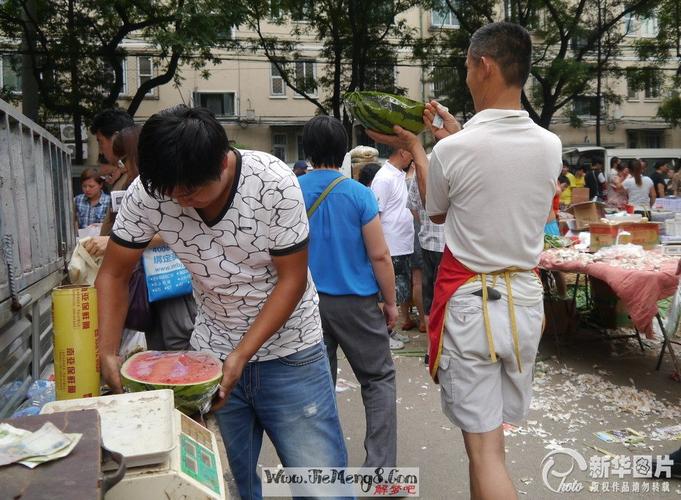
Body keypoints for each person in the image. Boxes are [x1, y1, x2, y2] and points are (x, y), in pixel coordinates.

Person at [95, 105, 347, 499]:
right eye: (170, 192)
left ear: (222, 161)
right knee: (226, 486)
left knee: (321, 489)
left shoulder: (272, 182)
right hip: (210, 354)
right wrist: (107, 351)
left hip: (292, 351)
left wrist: (242, 355)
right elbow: (113, 272)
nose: (179, 200)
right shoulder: (151, 191)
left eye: (191, 191)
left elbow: (292, 279)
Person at [369, 21, 561, 500]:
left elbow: (436, 208)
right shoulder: (550, 144)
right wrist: (453, 135)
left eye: (469, 66)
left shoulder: (455, 149)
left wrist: (418, 147)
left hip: (474, 305)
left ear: (485, 65)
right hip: (524, 300)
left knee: (484, 451)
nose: (469, 76)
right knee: (492, 439)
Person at [298, 115, 398, 468]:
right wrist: (391, 303)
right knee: (378, 378)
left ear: (307, 151)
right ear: (343, 151)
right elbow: (379, 255)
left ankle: (323, 469)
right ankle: (381, 471)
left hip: (304, 304)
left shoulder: (293, 191)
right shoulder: (358, 194)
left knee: (317, 385)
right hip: (357, 303)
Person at [371, 148, 415, 347]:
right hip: (391, 245)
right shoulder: (383, 178)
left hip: (402, 244)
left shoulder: (398, 175)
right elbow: (375, 216)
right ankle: (382, 334)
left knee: (398, 292)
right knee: (385, 293)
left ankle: (390, 329)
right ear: (403, 152)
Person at [407, 160, 445, 364]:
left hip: (428, 242)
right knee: (450, 297)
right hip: (452, 246)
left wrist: (427, 224)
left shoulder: (424, 165)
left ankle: (432, 350)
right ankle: (448, 346)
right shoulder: (457, 160)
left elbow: (413, 206)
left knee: (430, 296)